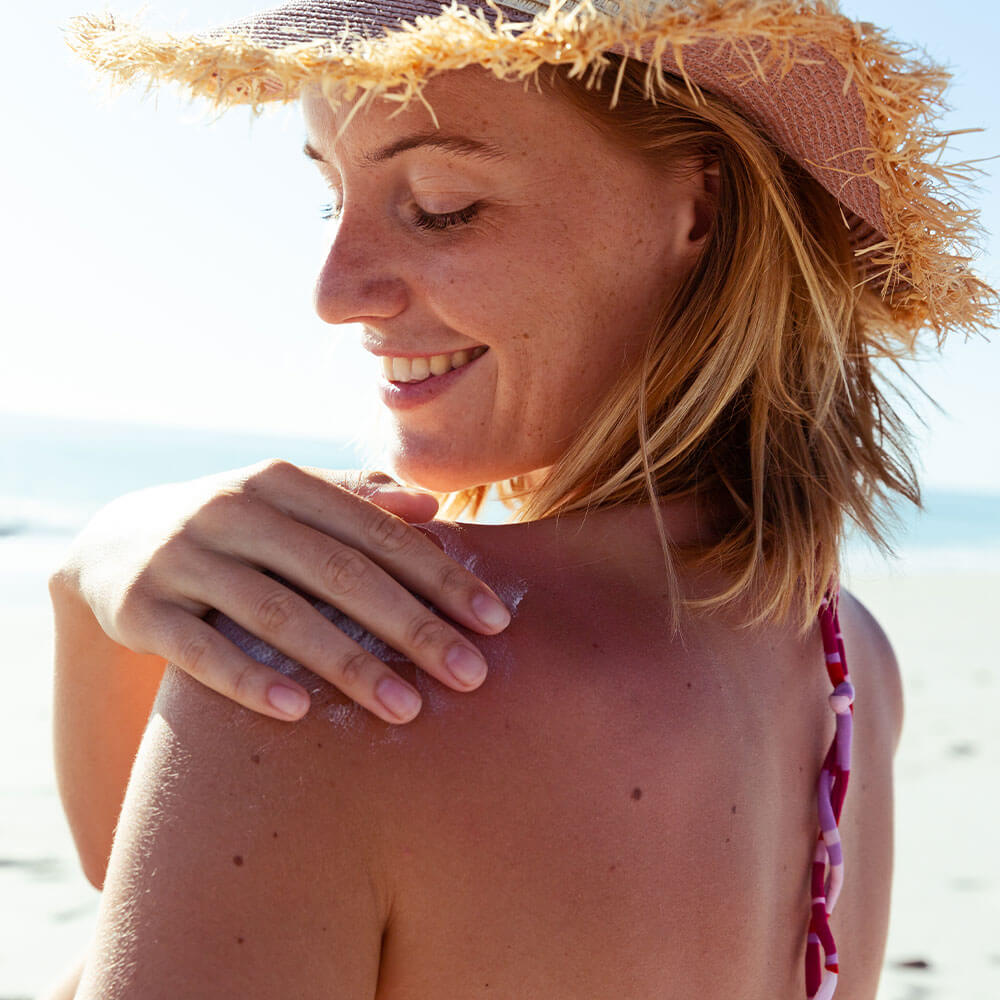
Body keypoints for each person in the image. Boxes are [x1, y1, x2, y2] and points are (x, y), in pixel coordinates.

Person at [51, 1, 995, 998]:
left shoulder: (358, 657)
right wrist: (88, 583)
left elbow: (171, 898)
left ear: (698, 211)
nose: (334, 291)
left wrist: (93, 573)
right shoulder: (842, 654)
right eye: (333, 200)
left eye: (442, 203)